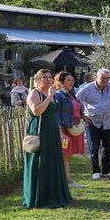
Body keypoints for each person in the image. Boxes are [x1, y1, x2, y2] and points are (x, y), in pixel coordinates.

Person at [22, 69, 72, 208]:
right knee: (41, 164)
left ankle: (53, 195)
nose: (49, 79)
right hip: (40, 134)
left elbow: (54, 115)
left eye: (50, 77)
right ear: (38, 80)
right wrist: (49, 98)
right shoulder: (34, 93)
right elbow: (36, 111)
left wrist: (60, 131)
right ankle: (39, 198)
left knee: (52, 163)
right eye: (45, 77)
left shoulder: (51, 93)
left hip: (52, 133)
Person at [54, 71, 85, 189]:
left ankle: (66, 180)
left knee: (68, 155)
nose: (71, 82)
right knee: (64, 155)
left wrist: (83, 118)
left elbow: (76, 109)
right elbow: (57, 115)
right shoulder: (58, 96)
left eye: (72, 80)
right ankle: (67, 181)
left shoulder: (71, 94)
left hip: (74, 128)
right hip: (65, 130)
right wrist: (61, 132)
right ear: (61, 82)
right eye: (68, 80)